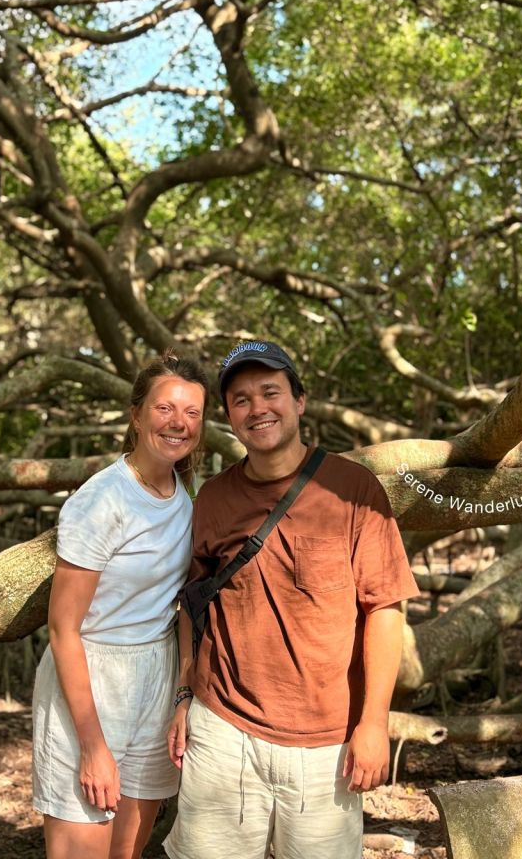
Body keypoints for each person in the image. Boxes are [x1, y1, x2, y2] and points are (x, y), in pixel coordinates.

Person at [164, 341, 418, 859]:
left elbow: (385, 611)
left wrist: (374, 724)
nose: (258, 408)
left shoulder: (355, 490)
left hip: (326, 743)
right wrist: (185, 693)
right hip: (223, 729)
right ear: (230, 418)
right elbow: (192, 606)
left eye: (270, 392)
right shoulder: (212, 498)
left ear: (299, 401)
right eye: (241, 400)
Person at [32, 351, 209, 859]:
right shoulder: (100, 502)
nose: (179, 422)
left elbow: (179, 606)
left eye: (192, 413)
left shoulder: (184, 493)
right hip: (91, 682)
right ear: (136, 415)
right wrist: (92, 745)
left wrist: (180, 696)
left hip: (155, 678)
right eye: (165, 408)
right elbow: (64, 629)